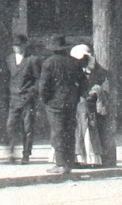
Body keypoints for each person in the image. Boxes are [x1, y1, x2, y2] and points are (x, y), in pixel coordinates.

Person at [36, 36, 86, 176]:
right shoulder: (74, 63)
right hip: (71, 102)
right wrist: (76, 96)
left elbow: (43, 85)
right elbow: (83, 82)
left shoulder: (49, 63)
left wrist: (45, 100)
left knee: (57, 132)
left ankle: (60, 163)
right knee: (70, 131)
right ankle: (69, 162)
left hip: (54, 103)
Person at [72, 44, 116, 167]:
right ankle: (78, 158)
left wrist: (97, 92)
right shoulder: (77, 71)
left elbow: (105, 89)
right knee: (78, 131)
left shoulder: (99, 73)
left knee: (89, 130)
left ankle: (92, 159)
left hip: (89, 106)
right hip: (78, 105)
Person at [4, 35, 40, 164]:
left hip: (27, 99)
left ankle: (26, 154)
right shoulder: (9, 60)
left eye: (19, 45)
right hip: (13, 98)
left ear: (25, 45)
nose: (17, 48)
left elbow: (38, 80)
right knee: (10, 126)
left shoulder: (32, 60)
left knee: (27, 128)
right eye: (15, 45)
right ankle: (11, 153)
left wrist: (32, 93)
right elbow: (7, 78)